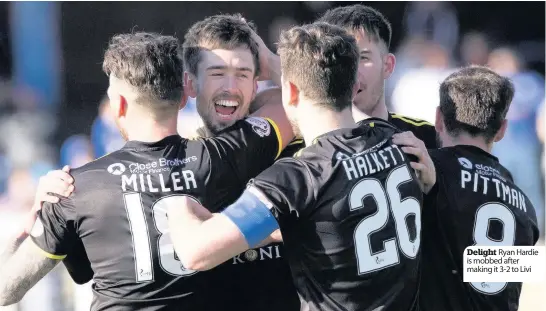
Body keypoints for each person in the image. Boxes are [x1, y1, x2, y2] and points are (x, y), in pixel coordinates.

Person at [0, 32, 293, 310]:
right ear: (181, 99)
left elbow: (5, 290)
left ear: (119, 105)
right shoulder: (224, 156)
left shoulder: (72, 189)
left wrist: (24, 228)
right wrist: (266, 61)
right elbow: (295, 101)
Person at [168, 22, 432, 311]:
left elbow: (196, 252)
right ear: (354, 85)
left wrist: (175, 196)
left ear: (289, 90)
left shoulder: (299, 177)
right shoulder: (394, 140)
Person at [393, 66, 539, 311]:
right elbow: (502, 283)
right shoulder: (525, 206)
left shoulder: (428, 168)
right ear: (502, 129)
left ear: (438, 119)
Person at [182, 14, 300, 311]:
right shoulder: (176, 162)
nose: (231, 87)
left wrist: (272, 63)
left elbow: (325, 98)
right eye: (217, 73)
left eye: (244, 74)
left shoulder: (298, 149)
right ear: (190, 83)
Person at [253, 4, 438, 149]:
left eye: (363, 57)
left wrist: (434, 181)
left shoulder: (425, 137)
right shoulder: (302, 153)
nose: (351, 69)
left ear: (388, 66)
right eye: (342, 59)